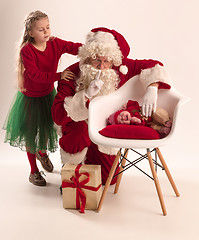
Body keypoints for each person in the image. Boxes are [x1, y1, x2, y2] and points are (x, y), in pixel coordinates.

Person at [51, 27, 171, 185]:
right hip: (79, 128)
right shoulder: (72, 73)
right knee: (78, 133)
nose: (101, 66)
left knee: (109, 180)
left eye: (106, 61)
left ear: (113, 60)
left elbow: (154, 65)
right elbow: (58, 115)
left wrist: (152, 87)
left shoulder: (121, 68)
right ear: (88, 57)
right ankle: (72, 172)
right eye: (96, 60)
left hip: (103, 129)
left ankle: (91, 165)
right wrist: (85, 95)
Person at [3, 10, 82, 186]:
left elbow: (74, 47)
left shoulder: (55, 43)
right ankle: (33, 171)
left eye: (47, 27)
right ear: (31, 33)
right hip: (30, 98)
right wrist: (60, 75)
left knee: (47, 128)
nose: (46, 32)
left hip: (47, 95)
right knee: (32, 135)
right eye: (40, 29)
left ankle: (43, 153)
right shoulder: (27, 51)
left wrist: (92, 47)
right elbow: (36, 75)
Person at [107, 100, 172, 137]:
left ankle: (166, 121)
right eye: (121, 121)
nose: (123, 118)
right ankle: (163, 129)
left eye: (121, 115)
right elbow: (142, 127)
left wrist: (127, 104)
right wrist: (138, 121)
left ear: (122, 111)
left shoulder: (130, 108)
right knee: (154, 127)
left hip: (149, 112)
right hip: (149, 123)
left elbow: (135, 103)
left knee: (157, 112)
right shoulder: (131, 124)